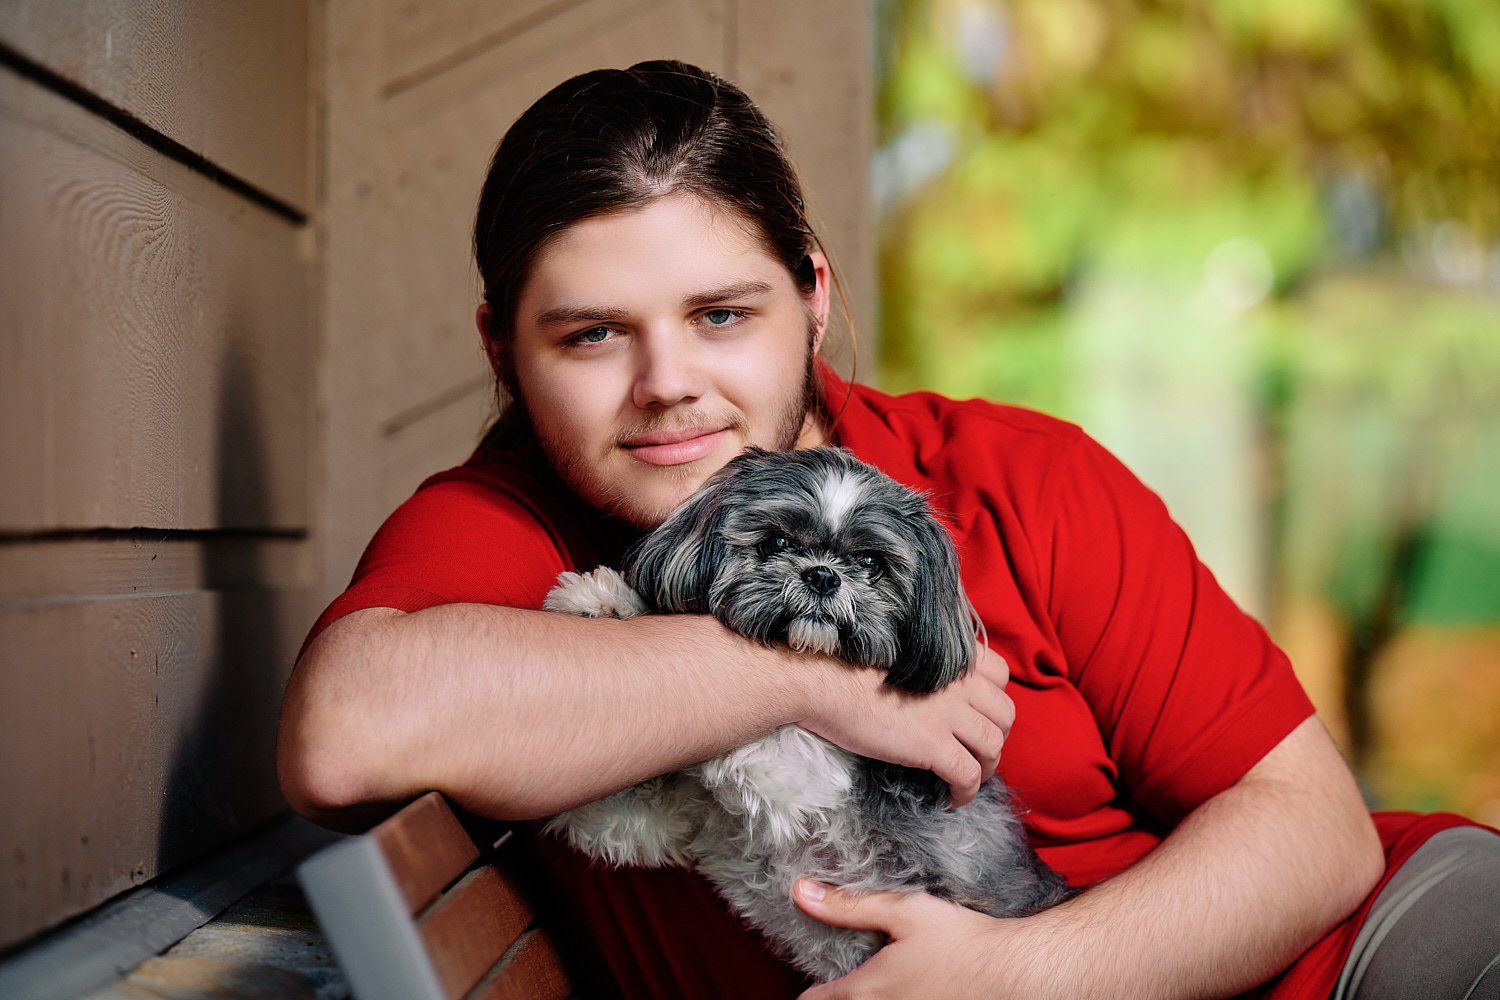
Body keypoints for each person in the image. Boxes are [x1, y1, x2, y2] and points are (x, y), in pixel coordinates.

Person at [277, 60, 1500, 999]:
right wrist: (807, 679)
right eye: (592, 333)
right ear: (504, 350)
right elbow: (346, 733)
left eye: (721, 314)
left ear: (812, 298)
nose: (666, 384)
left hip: (1352, 956)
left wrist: (1018, 976)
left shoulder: (1013, 477)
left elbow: (1317, 832)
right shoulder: (511, 523)